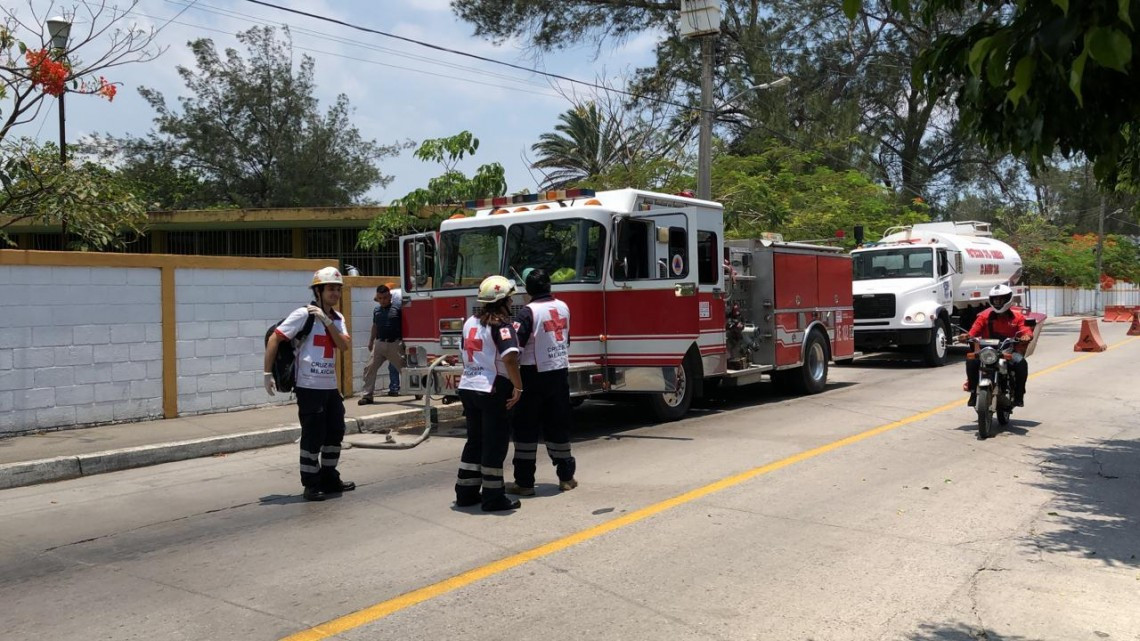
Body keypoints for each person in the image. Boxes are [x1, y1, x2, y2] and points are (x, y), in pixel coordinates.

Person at [264, 267, 354, 501]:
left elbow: (343, 345)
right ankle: (311, 484)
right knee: (313, 436)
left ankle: (329, 478)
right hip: (309, 386)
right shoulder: (303, 314)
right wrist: (267, 373)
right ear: (318, 290)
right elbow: (275, 338)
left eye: (338, 289)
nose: (335, 293)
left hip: (330, 387)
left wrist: (327, 321)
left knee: (335, 432)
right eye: (330, 288)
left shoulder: (337, 318)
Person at [455, 275, 525, 512]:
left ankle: (465, 493)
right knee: (494, 443)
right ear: (502, 301)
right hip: (492, 389)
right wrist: (518, 387)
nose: (511, 302)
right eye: (509, 299)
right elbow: (510, 359)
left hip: (468, 386)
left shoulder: (470, 322)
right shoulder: (502, 326)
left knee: (475, 441)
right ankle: (493, 497)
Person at [507, 269, 578, 496]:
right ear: (549, 286)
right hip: (559, 372)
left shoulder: (527, 313)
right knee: (558, 424)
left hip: (532, 375)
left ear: (527, 290)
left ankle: (524, 483)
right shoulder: (563, 307)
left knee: (525, 428)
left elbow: (514, 347)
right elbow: (565, 339)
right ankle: (566, 477)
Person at [957, 284, 1032, 407]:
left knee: (1021, 363)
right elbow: (973, 331)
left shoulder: (1017, 317)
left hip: (1008, 350)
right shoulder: (984, 316)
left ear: (1008, 299)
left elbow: (1026, 330)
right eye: (995, 299)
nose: (998, 302)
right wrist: (966, 336)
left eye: (1001, 299)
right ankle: (973, 392)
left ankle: (1019, 395)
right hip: (988, 351)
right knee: (971, 361)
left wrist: (1026, 336)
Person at [359, 284, 404, 403]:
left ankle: (417, 391)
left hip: (394, 344)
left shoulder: (398, 309)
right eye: (380, 298)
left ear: (390, 297)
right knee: (369, 368)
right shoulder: (377, 310)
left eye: (385, 298)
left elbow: (405, 325)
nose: (383, 301)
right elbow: (375, 326)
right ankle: (367, 396)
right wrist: (371, 341)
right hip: (379, 344)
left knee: (404, 370)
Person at [385, 281, 403, 395]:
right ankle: (416, 388)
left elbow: (376, 298)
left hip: (395, 331)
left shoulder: (394, 292)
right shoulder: (416, 294)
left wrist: (387, 287)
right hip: (408, 330)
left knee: (393, 361)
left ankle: (394, 387)